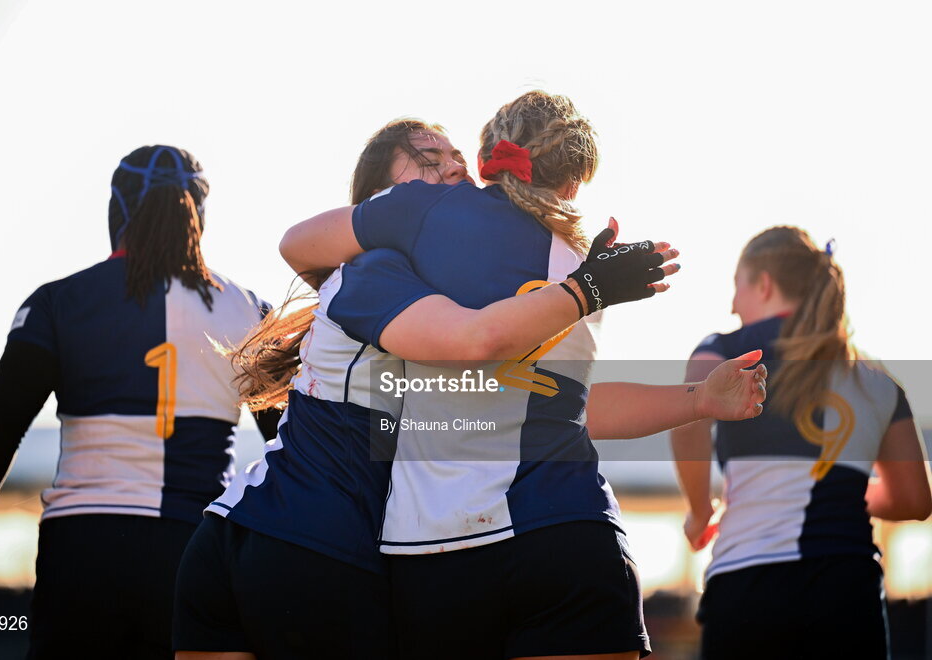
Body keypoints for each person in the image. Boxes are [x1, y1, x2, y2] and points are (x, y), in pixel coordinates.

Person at [274, 90, 767, 660]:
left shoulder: (416, 212)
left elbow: (299, 246)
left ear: (485, 154)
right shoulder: (583, 265)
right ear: (575, 183)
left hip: (435, 555)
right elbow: (572, 411)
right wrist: (700, 398)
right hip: (570, 535)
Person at [0, 145, 278, 659]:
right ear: (199, 212)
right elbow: (290, 450)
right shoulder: (250, 311)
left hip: (82, 555)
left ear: (117, 211)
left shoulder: (58, 302)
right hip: (194, 551)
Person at [671, 226, 932, 659]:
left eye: (737, 286)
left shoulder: (725, 352)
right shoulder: (879, 382)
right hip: (849, 593)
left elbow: (686, 421)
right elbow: (914, 499)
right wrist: (834, 490)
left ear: (765, 284)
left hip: (749, 590)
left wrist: (700, 512)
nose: (732, 304)